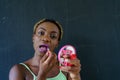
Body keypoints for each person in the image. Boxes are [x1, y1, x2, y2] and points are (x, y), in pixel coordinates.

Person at [9, 18, 81, 80]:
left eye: (53, 36)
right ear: (33, 38)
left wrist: (75, 75)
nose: (46, 39)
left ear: (57, 43)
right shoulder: (19, 70)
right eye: (41, 33)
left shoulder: (65, 68)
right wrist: (42, 74)